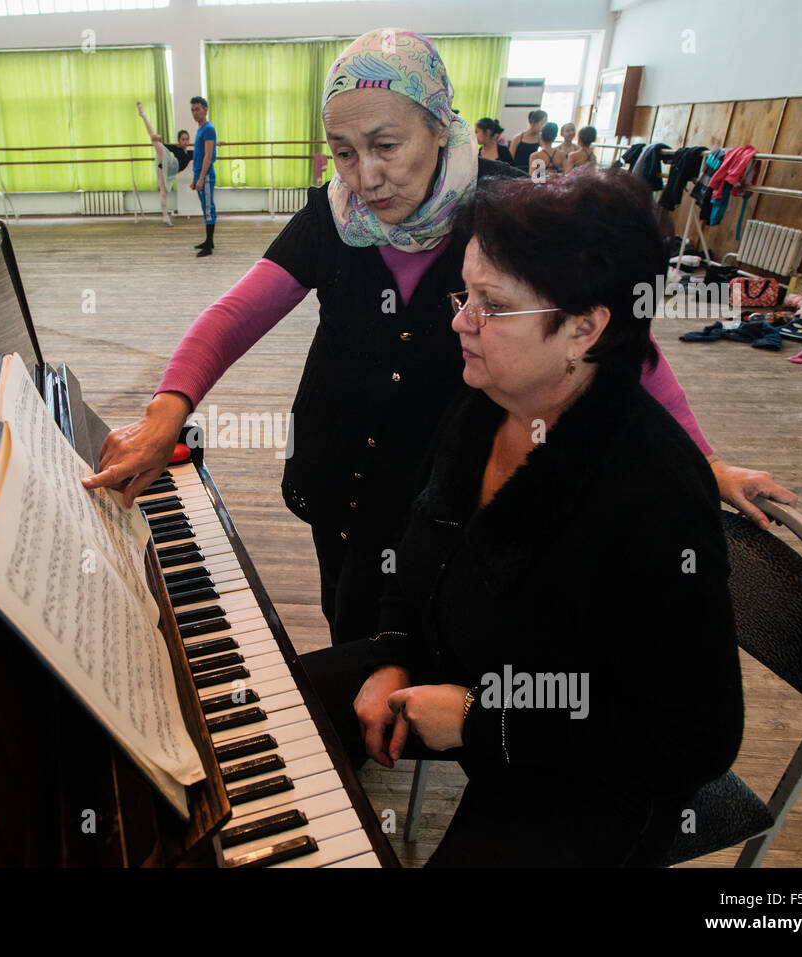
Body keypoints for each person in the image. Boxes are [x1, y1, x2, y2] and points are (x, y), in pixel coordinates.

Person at [83, 28, 795, 647]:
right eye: (343, 152)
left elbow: (618, 344)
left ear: (439, 126)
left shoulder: (510, 212)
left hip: (438, 478)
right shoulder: (333, 214)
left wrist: (704, 462)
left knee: (417, 614)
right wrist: (167, 409)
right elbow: (237, 312)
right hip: (336, 460)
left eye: (385, 145)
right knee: (344, 603)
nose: (365, 177)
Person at [301, 169, 745, 867]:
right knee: (269, 719)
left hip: (596, 777)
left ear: (585, 328)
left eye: (491, 305)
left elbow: (695, 739)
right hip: (477, 680)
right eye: (465, 293)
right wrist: (391, 652)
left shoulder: (651, 491)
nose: (459, 321)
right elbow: (418, 551)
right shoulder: (488, 400)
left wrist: (483, 725)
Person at [137, 101, 192, 226]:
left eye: (187, 139)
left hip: (170, 171)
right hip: (168, 164)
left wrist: (215, 144)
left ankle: (165, 217)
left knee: (164, 192)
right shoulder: (176, 149)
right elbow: (165, 146)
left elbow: (203, 149)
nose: (185, 141)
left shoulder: (190, 154)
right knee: (156, 142)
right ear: (179, 140)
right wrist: (159, 140)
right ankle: (143, 115)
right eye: (183, 139)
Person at [189, 96, 217, 257]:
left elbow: (207, 156)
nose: (195, 113)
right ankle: (209, 241)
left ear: (205, 109)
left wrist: (200, 178)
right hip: (200, 175)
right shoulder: (201, 128)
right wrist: (195, 178)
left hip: (205, 176)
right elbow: (199, 156)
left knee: (208, 209)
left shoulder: (208, 129)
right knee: (206, 207)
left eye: (197, 109)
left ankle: (209, 246)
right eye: (192, 110)